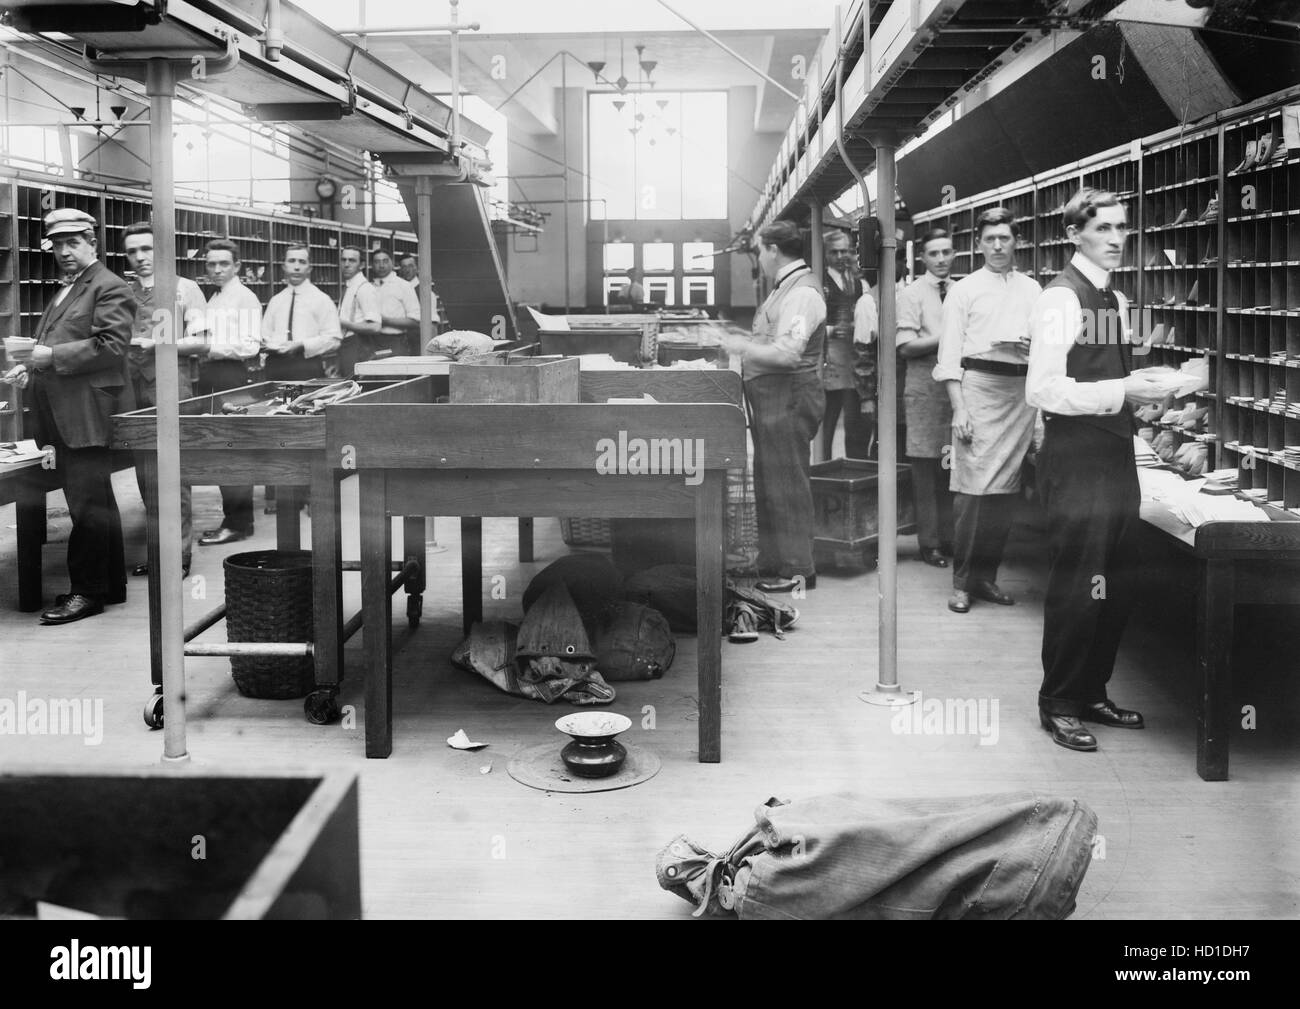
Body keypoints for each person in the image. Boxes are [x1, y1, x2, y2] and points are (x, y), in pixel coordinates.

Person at [1027, 188, 1167, 752]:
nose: (1116, 239)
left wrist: (1144, 397)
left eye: (1122, 229)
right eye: (1103, 228)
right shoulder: (1061, 299)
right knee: (1079, 582)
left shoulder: (1115, 298)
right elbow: (1043, 388)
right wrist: (1120, 391)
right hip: (1076, 456)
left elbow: (1104, 376)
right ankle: (1057, 702)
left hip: (1113, 453)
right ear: (1074, 234)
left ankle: (1091, 691)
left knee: (1118, 576)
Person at [1, 209, 133, 624]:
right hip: (64, 414)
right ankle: (108, 585)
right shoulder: (69, 289)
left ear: (93, 242)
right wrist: (32, 366)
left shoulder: (108, 286)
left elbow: (112, 346)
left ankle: (86, 593)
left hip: (86, 416)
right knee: (96, 503)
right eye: (57, 244)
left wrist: (50, 356)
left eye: (73, 242)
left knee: (86, 505)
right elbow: (58, 345)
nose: (64, 251)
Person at [934, 207, 1041, 614]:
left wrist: (1034, 347)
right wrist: (959, 408)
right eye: (990, 239)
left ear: (1017, 242)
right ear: (978, 245)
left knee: (1005, 493)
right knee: (972, 492)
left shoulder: (1033, 290)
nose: (998, 246)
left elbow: (1046, 348)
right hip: (977, 389)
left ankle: (986, 578)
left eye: (1005, 239)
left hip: (1020, 394)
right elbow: (948, 357)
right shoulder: (963, 291)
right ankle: (962, 582)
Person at [721, 220, 826, 593]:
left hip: (789, 400)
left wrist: (741, 347)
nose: (760, 259)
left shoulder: (802, 294)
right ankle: (773, 562)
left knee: (788, 485)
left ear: (773, 250)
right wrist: (746, 339)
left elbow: (787, 354)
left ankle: (798, 570)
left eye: (759, 251)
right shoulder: (786, 289)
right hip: (773, 402)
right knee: (771, 483)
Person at [120, 220, 209, 578]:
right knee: (145, 474)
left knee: (173, 474)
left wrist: (160, 343)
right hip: (133, 389)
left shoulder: (184, 288)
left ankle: (179, 556)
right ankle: (160, 553)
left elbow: (201, 341)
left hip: (171, 388)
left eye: (147, 249)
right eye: (132, 251)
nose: (141, 258)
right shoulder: (124, 291)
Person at [896, 227, 957, 568]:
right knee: (925, 469)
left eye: (946, 252)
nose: (941, 259)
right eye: (933, 253)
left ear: (954, 254)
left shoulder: (961, 291)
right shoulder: (911, 295)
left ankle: (949, 538)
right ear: (922, 258)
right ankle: (929, 543)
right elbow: (905, 347)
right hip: (924, 389)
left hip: (956, 391)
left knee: (952, 468)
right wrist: (946, 336)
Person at [196, 238, 263, 546]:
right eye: (211, 264)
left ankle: (238, 522)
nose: (217, 269)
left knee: (232, 448)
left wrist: (210, 348)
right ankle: (235, 519)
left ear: (237, 266)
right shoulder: (215, 296)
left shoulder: (244, 298)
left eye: (224, 263)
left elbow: (251, 345)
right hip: (212, 375)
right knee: (222, 449)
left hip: (232, 377)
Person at [821, 229, 872, 459]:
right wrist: (831, 329)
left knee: (856, 424)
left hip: (855, 362)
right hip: (829, 362)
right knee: (826, 425)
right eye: (835, 252)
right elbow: (801, 326)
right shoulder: (817, 283)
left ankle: (854, 470)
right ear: (825, 254)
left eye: (845, 251)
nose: (841, 256)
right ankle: (822, 469)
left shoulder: (859, 283)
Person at [261, 243, 342, 381]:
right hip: (275, 367)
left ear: (309, 268)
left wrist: (302, 345)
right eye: (291, 261)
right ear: (284, 266)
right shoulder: (276, 300)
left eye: (302, 262)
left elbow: (334, 339)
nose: (296, 267)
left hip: (306, 366)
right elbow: (265, 335)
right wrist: (268, 348)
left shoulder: (322, 299)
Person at [338, 244, 382, 377]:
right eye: (343, 260)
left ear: (362, 264)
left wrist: (342, 323)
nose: (346, 264)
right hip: (346, 346)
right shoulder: (350, 286)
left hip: (358, 346)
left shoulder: (364, 288)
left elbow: (375, 327)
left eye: (352, 260)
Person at [369, 249, 419, 357]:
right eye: (377, 262)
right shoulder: (369, 287)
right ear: (372, 265)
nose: (381, 265)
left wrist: (385, 321)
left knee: (394, 373)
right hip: (371, 342)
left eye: (385, 261)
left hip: (396, 342)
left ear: (392, 263)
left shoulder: (404, 286)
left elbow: (415, 322)